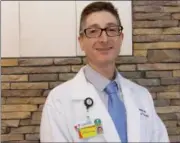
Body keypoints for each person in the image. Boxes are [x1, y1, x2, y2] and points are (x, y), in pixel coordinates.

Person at [40, 1, 169, 142]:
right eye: (93, 31)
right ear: (81, 41)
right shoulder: (59, 101)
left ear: (121, 38)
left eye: (111, 29)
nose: (104, 39)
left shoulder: (142, 96)